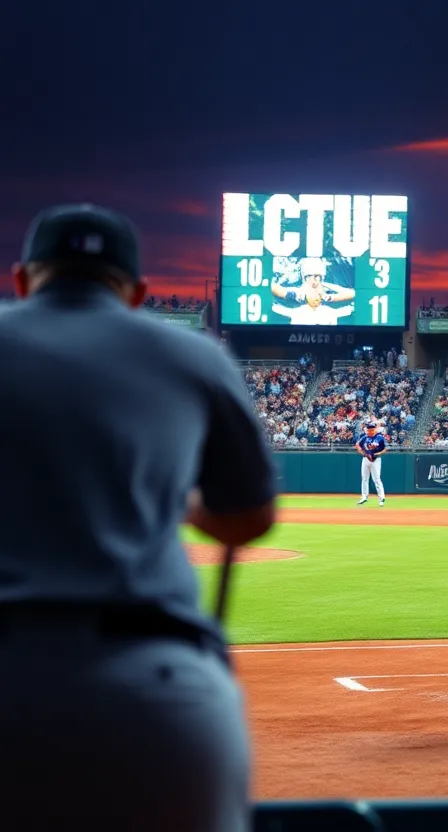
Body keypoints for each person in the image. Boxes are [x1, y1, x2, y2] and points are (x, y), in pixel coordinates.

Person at [0, 204, 277, 829]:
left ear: (22, 279)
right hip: (155, 691)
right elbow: (248, 516)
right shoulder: (194, 355)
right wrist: (174, 499)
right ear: (137, 293)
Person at [355, 420, 387, 506]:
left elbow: (385, 448)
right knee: (364, 478)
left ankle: (381, 498)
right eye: (369, 429)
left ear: (375, 429)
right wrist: (362, 452)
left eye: (372, 429)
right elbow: (357, 444)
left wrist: (379, 453)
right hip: (366, 459)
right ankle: (364, 497)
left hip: (376, 459)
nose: (370, 430)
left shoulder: (380, 437)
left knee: (376, 479)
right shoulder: (365, 437)